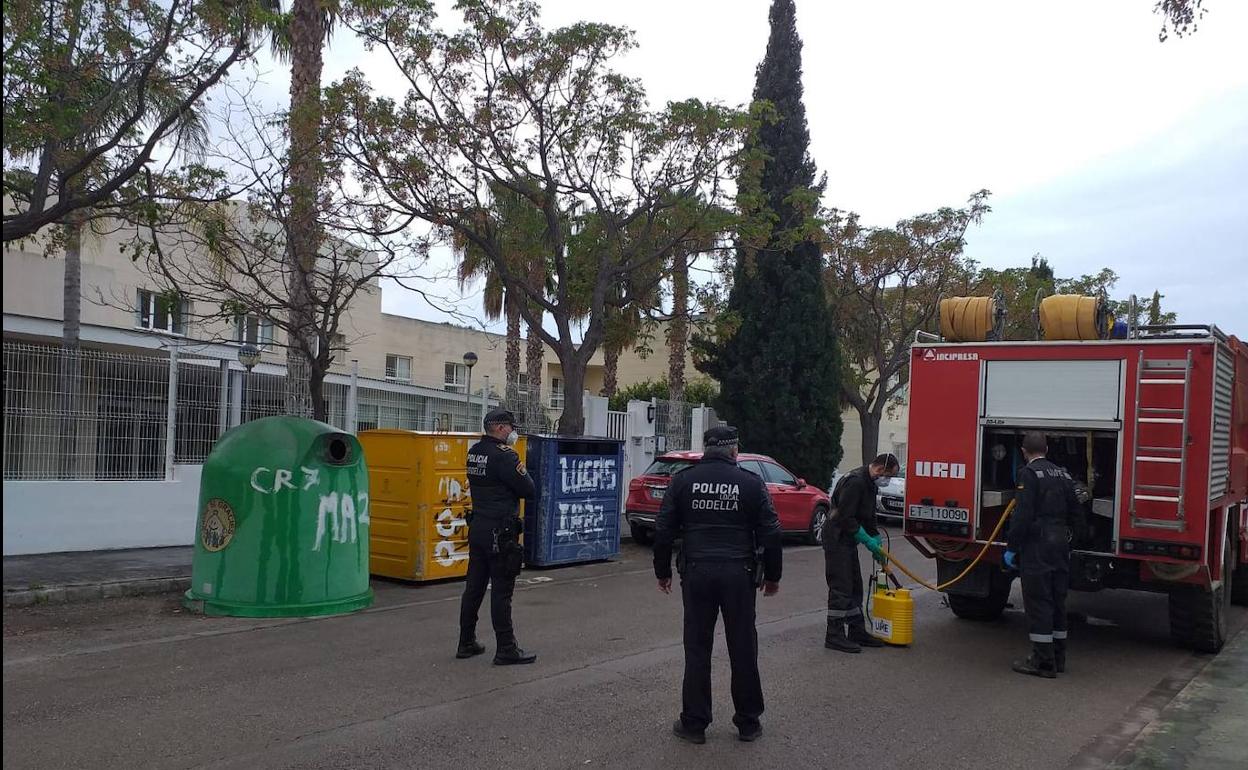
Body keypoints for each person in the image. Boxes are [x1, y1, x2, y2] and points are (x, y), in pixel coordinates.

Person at [653, 425, 782, 745]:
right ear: (734, 450)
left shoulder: (683, 481)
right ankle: (748, 722)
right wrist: (774, 576)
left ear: (706, 449)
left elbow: (664, 528)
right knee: (743, 647)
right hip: (739, 574)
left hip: (696, 573)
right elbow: (771, 532)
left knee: (697, 648)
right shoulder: (751, 484)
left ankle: (694, 723)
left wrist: (662, 571)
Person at [457, 408, 538, 665]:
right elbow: (529, 489)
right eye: (511, 427)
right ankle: (506, 648)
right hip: (500, 532)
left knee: (474, 588)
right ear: (501, 428)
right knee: (502, 591)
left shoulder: (475, 452)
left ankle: (466, 642)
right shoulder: (505, 456)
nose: (513, 431)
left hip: (479, 527)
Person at [1004, 432, 1084, 678]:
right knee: (1057, 600)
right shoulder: (1063, 473)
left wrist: (1012, 547)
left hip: (1038, 544)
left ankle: (1042, 662)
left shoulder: (1029, 475)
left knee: (1039, 601)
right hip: (1060, 542)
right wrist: (1073, 542)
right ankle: (1058, 658)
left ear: (1023, 451)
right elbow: (1077, 512)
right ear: (1047, 448)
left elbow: (1023, 515)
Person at [823, 453, 899, 653]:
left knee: (855, 584)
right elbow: (845, 518)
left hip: (848, 540)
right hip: (837, 537)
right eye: (889, 475)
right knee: (841, 585)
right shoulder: (855, 482)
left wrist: (875, 539)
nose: (888, 480)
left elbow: (867, 516)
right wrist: (865, 539)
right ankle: (834, 635)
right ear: (881, 469)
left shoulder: (870, 484)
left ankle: (856, 630)